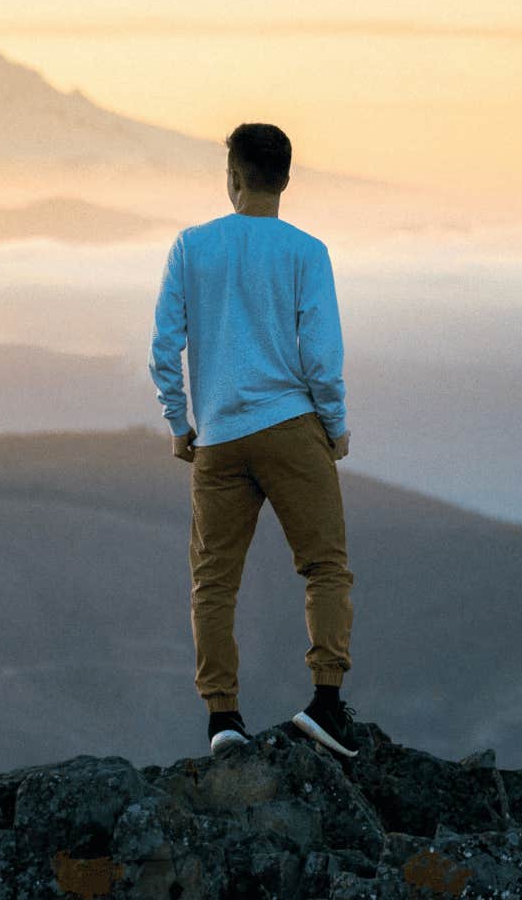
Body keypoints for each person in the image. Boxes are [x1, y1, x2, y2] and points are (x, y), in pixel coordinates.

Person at [148, 122, 359, 758]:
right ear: (286, 179)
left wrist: (180, 422)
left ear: (233, 177)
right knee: (325, 566)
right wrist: (335, 425)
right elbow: (321, 356)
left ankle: (223, 719)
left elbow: (164, 346)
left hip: (217, 438)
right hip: (291, 427)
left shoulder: (192, 246)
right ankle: (325, 702)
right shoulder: (306, 251)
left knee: (213, 583)